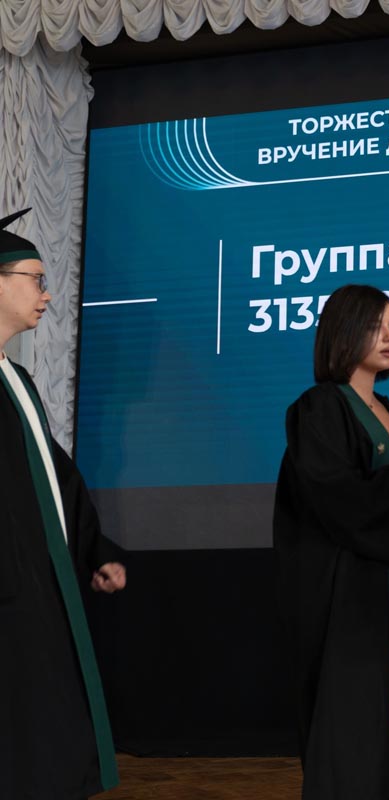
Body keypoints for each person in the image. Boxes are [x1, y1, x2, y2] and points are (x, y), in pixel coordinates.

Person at [273, 284, 389, 800]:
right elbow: (336, 498)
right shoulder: (318, 408)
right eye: (377, 326)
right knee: (353, 735)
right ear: (344, 331)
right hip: (347, 598)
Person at [0, 208, 127, 798]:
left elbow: (59, 480)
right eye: (36, 279)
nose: (47, 294)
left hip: (35, 590)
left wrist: (96, 548)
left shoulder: (18, 381)